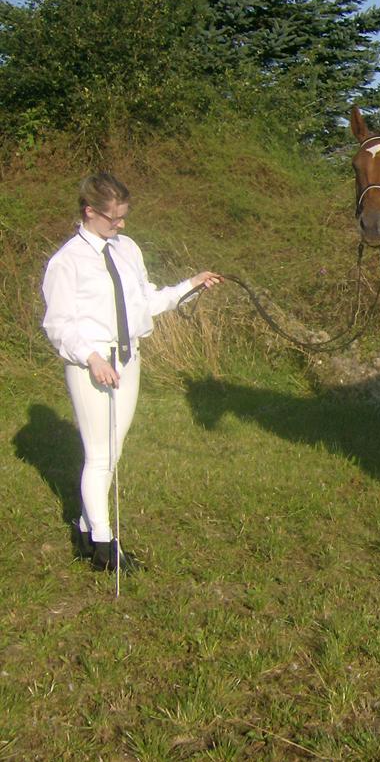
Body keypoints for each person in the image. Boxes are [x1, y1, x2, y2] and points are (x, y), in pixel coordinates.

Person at [42, 171, 222, 572]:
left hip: (129, 359)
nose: (121, 224)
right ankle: (106, 550)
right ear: (90, 212)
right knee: (101, 455)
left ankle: (87, 529)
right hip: (92, 365)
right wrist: (91, 357)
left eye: (123, 216)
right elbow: (58, 324)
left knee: (114, 452)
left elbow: (145, 302)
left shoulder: (126, 249)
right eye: (113, 218)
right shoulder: (66, 262)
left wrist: (189, 285)